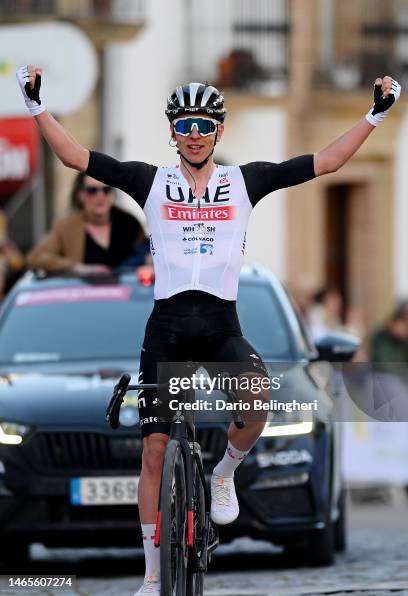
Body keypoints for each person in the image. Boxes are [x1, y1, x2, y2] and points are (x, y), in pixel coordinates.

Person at [16, 64, 400, 595]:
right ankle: (153, 574)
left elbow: (327, 162)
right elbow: (75, 157)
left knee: (257, 403)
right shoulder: (151, 182)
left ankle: (223, 474)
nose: (194, 134)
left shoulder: (245, 182)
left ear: (219, 131)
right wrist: (36, 106)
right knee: (153, 451)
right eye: (184, 125)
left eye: (204, 125)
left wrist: (375, 115)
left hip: (221, 326)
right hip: (167, 331)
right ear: (171, 132)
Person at [26, 171, 150, 275]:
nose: (100, 196)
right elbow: (35, 258)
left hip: (128, 298)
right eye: (92, 191)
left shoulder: (129, 222)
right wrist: (76, 267)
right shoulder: (66, 227)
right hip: (84, 299)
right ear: (80, 195)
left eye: (106, 190)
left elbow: (149, 255)